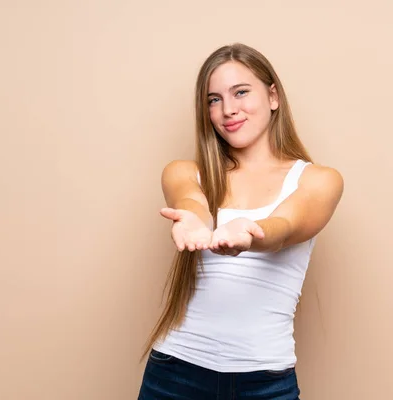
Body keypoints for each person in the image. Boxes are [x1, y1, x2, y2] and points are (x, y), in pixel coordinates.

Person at [138, 43, 343, 400]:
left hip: (264, 383)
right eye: (213, 100)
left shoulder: (317, 180)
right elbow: (193, 202)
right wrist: (196, 222)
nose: (228, 110)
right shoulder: (186, 172)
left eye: (241, 92)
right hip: (175, 374)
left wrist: (252, 235)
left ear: (273, 96)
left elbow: (285, 227)